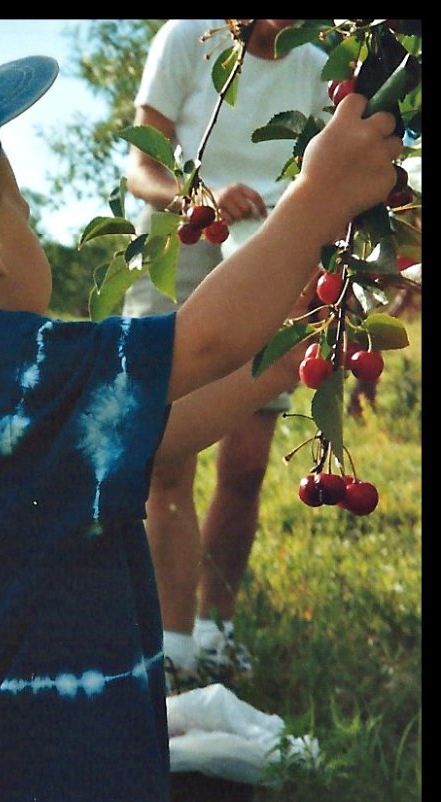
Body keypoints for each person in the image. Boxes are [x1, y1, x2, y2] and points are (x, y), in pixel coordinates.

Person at [0, 56, 400, 802]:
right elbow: (202, 342)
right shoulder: (26, 373)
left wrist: (287, 356)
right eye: (26, 209)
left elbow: (157, 433)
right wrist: (323, 192)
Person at [122, 19, 331, 686]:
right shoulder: (190, 39)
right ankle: (173, 646)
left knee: (245, 462)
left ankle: (216, 630)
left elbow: (338, 175)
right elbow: (142, 166)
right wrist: (200, 198)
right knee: (166, 455)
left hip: (269, 252)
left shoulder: (318, 62)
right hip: (179, 237)